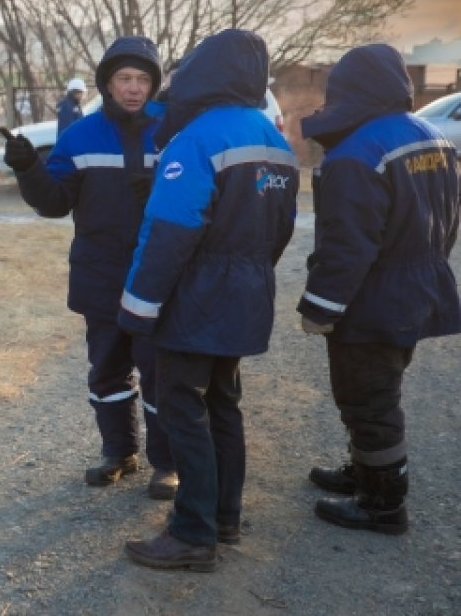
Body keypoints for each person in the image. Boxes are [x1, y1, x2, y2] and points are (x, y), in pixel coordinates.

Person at [117, 28, 298, 572]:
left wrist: (138, 305)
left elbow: (170, 230)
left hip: (194, 299)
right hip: (246, 293)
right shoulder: (274, 139)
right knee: (223, 404)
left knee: (182, 409)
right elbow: (282, 231)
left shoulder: (196, 140)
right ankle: (224, 517)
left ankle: (192, 532)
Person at [1, 36, 178, 500]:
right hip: (100, 271)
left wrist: (158, 191)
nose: (134, 88)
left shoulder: (175, 129)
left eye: (143, 79)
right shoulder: (80, 135)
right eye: (124, 78)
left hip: (159, 274)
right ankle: (118, 452)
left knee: (159, 371)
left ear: (155, 83)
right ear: (107, 83)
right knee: (107, 369)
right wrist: (28, 171)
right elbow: (55, 203)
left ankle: (168, 464)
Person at [297, 43, 460, 535]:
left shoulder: (356, 155)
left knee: (367, 398)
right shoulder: (434, 137)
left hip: (372, 300)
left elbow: (347, 245)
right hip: (418, 288)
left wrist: (320, 306)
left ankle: (382, 502)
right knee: (381, 388)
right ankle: (367, 470)